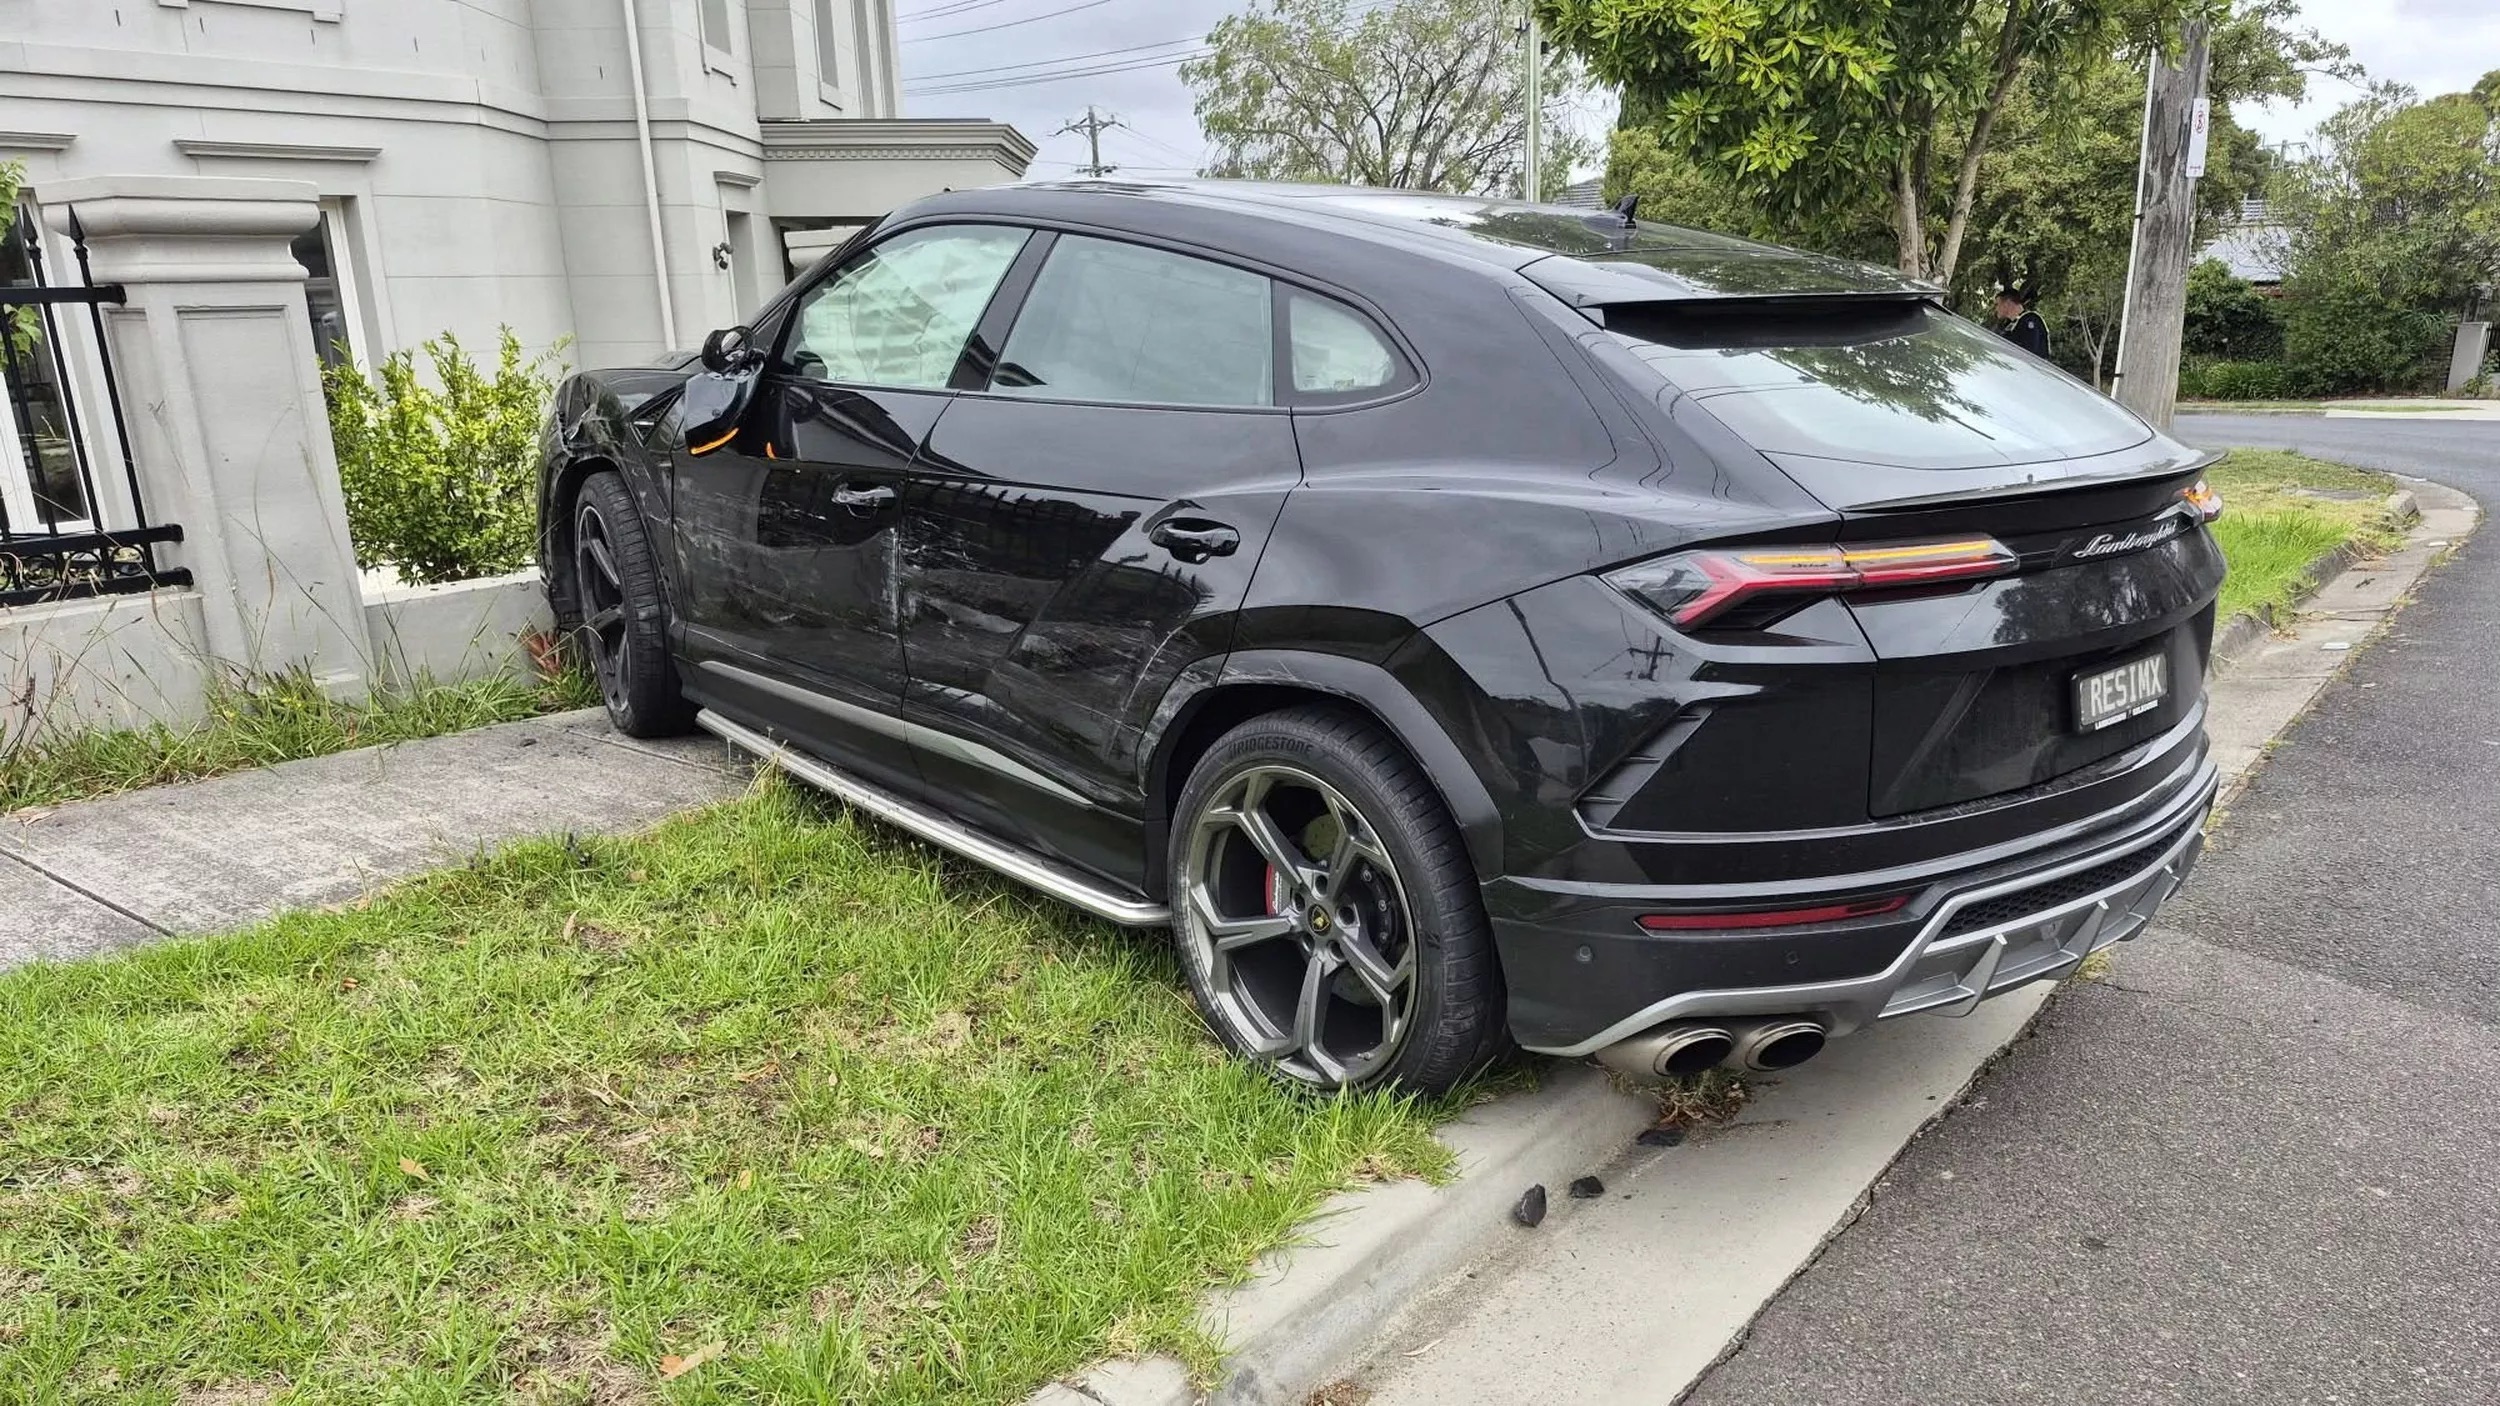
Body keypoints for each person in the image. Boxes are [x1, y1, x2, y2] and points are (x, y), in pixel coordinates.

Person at [1994, 288, 2051, 359]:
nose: (1996, 309)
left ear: (2008, 303)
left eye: (1997, 304)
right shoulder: (2011, 326)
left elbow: (2030, 353)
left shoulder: (2030, 319)